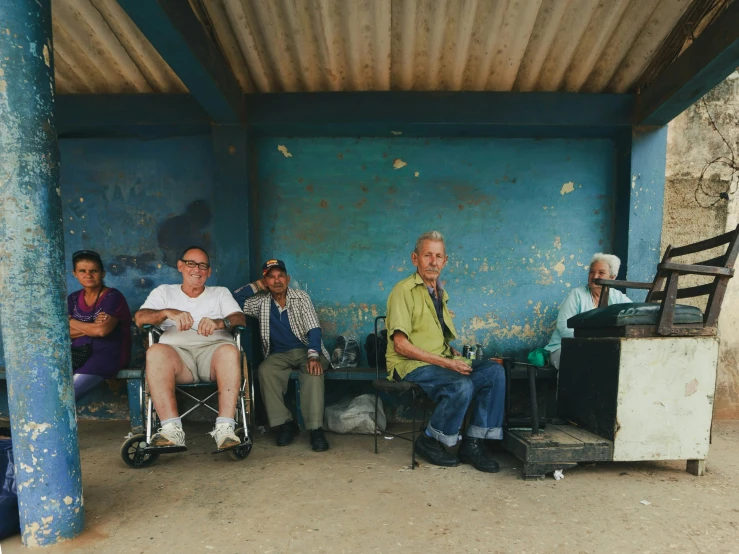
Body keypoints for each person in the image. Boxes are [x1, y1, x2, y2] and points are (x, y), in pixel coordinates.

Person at [385, 231, 505, 472]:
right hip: (410, 364)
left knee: (494, 371)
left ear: (445, 261)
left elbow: (433, 335)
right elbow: (401, 345)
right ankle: (430, 440)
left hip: (439, 361)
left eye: (438, 256)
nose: (433, 261)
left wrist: (453, 356)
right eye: (427, 255)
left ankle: (472, 443)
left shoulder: (439, 292)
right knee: (460, 384)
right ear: (414, 258)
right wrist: (447, 364)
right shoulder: (403, 291)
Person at [135, 246, 246, 451]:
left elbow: (240, 319)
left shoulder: (220, 293)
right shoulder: (164, 292)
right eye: (191, 263)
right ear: (180, 266)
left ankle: (225, 429)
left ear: (209, 271)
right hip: (177, 359)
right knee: (155, 351)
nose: (197, 269)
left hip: (213, 356)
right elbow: (140, 319)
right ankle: (171, 430)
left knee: (230, 351)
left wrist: (220, 323)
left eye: (203, 265)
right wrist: (167, 312)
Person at [233, 259, 331, 452]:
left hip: (307, 349)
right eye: (271, 277)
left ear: (288, 278)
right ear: (265, 281)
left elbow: (314, 328)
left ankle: (315, 429)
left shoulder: (300, 297)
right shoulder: (260, 302)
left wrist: (313, 355)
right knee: (265, 371)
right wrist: (257, 286)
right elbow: (232, 301)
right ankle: (286, 424)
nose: (277, 281)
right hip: (279, 354)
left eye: (280, 276)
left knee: (314, 372)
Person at [544, 252, 632, 369]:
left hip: (601, 349)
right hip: (564, 347)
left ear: (612, 277)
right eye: (591, 271)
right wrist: (594, 341)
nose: (594, 276)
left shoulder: (617, 297)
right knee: (581, 362)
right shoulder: (577, 294)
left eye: (601, 273)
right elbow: (564, 326)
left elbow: (633, 314)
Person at [68, 250, 132, 401]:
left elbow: (102, 331)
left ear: (103, 273)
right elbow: (64, 333)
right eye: (82, 271)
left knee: (68, 395)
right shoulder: (73, 298)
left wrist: (71, 322)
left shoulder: (112, 296)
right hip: (77, 355)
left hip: (107, 355)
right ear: (74, 273)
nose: (88, 275)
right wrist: (92, 327)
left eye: (94, 271)